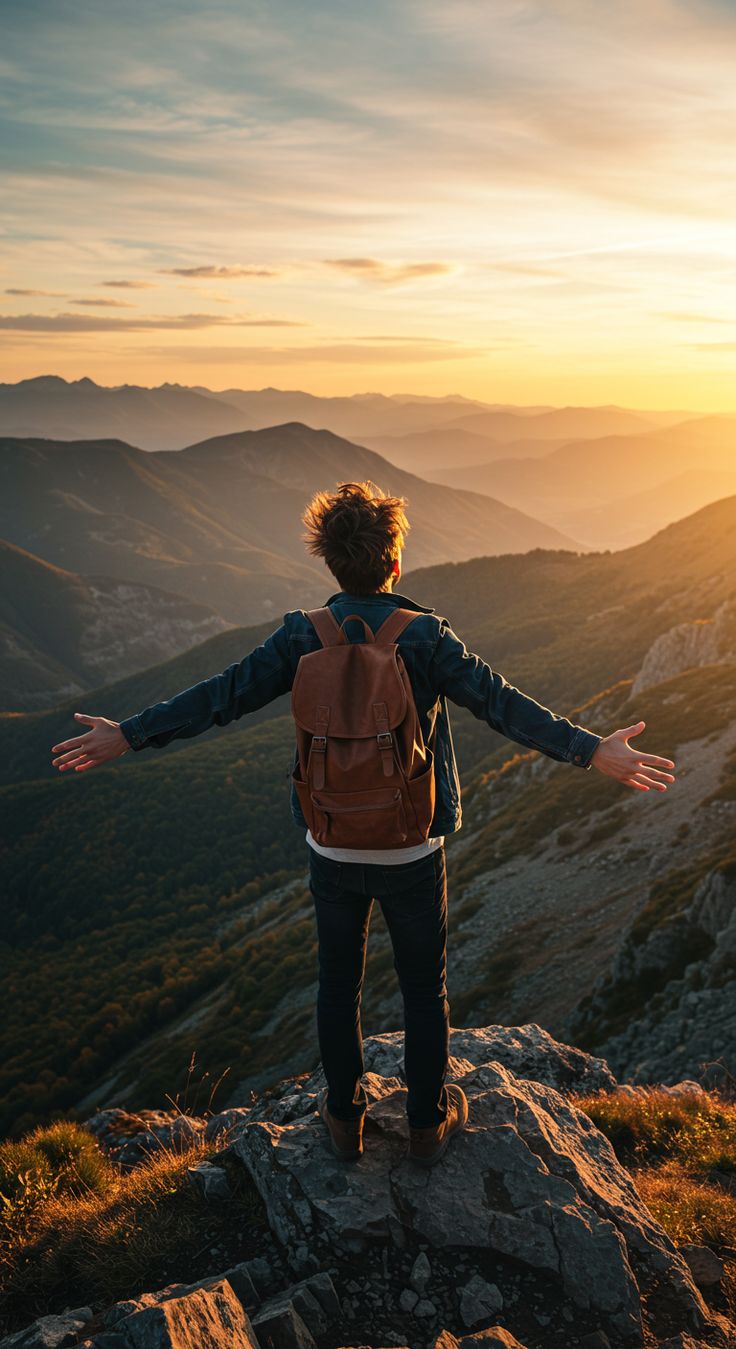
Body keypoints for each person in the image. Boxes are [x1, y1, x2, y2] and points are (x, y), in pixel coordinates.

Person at [50, 480, 676, 1167]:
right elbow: (505, 707)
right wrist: (594, 751)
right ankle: (426, 1123)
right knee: (423, 988)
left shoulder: (300, 635)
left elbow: (218, 697)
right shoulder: (428, 638)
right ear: (396, 562)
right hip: (412, 847)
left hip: (331, 843)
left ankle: (344, 1119)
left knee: (337, 984)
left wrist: (129, 734)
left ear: (330, 565)